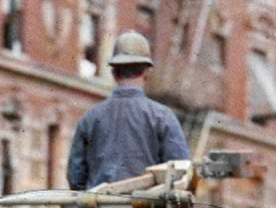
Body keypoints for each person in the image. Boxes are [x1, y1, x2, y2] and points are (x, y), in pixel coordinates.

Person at [67, 31, 190, 191]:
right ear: (146, 71)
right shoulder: (163, 118)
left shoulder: (89, 119)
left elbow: (75, 178)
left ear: (113, 72)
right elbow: (180, 173)